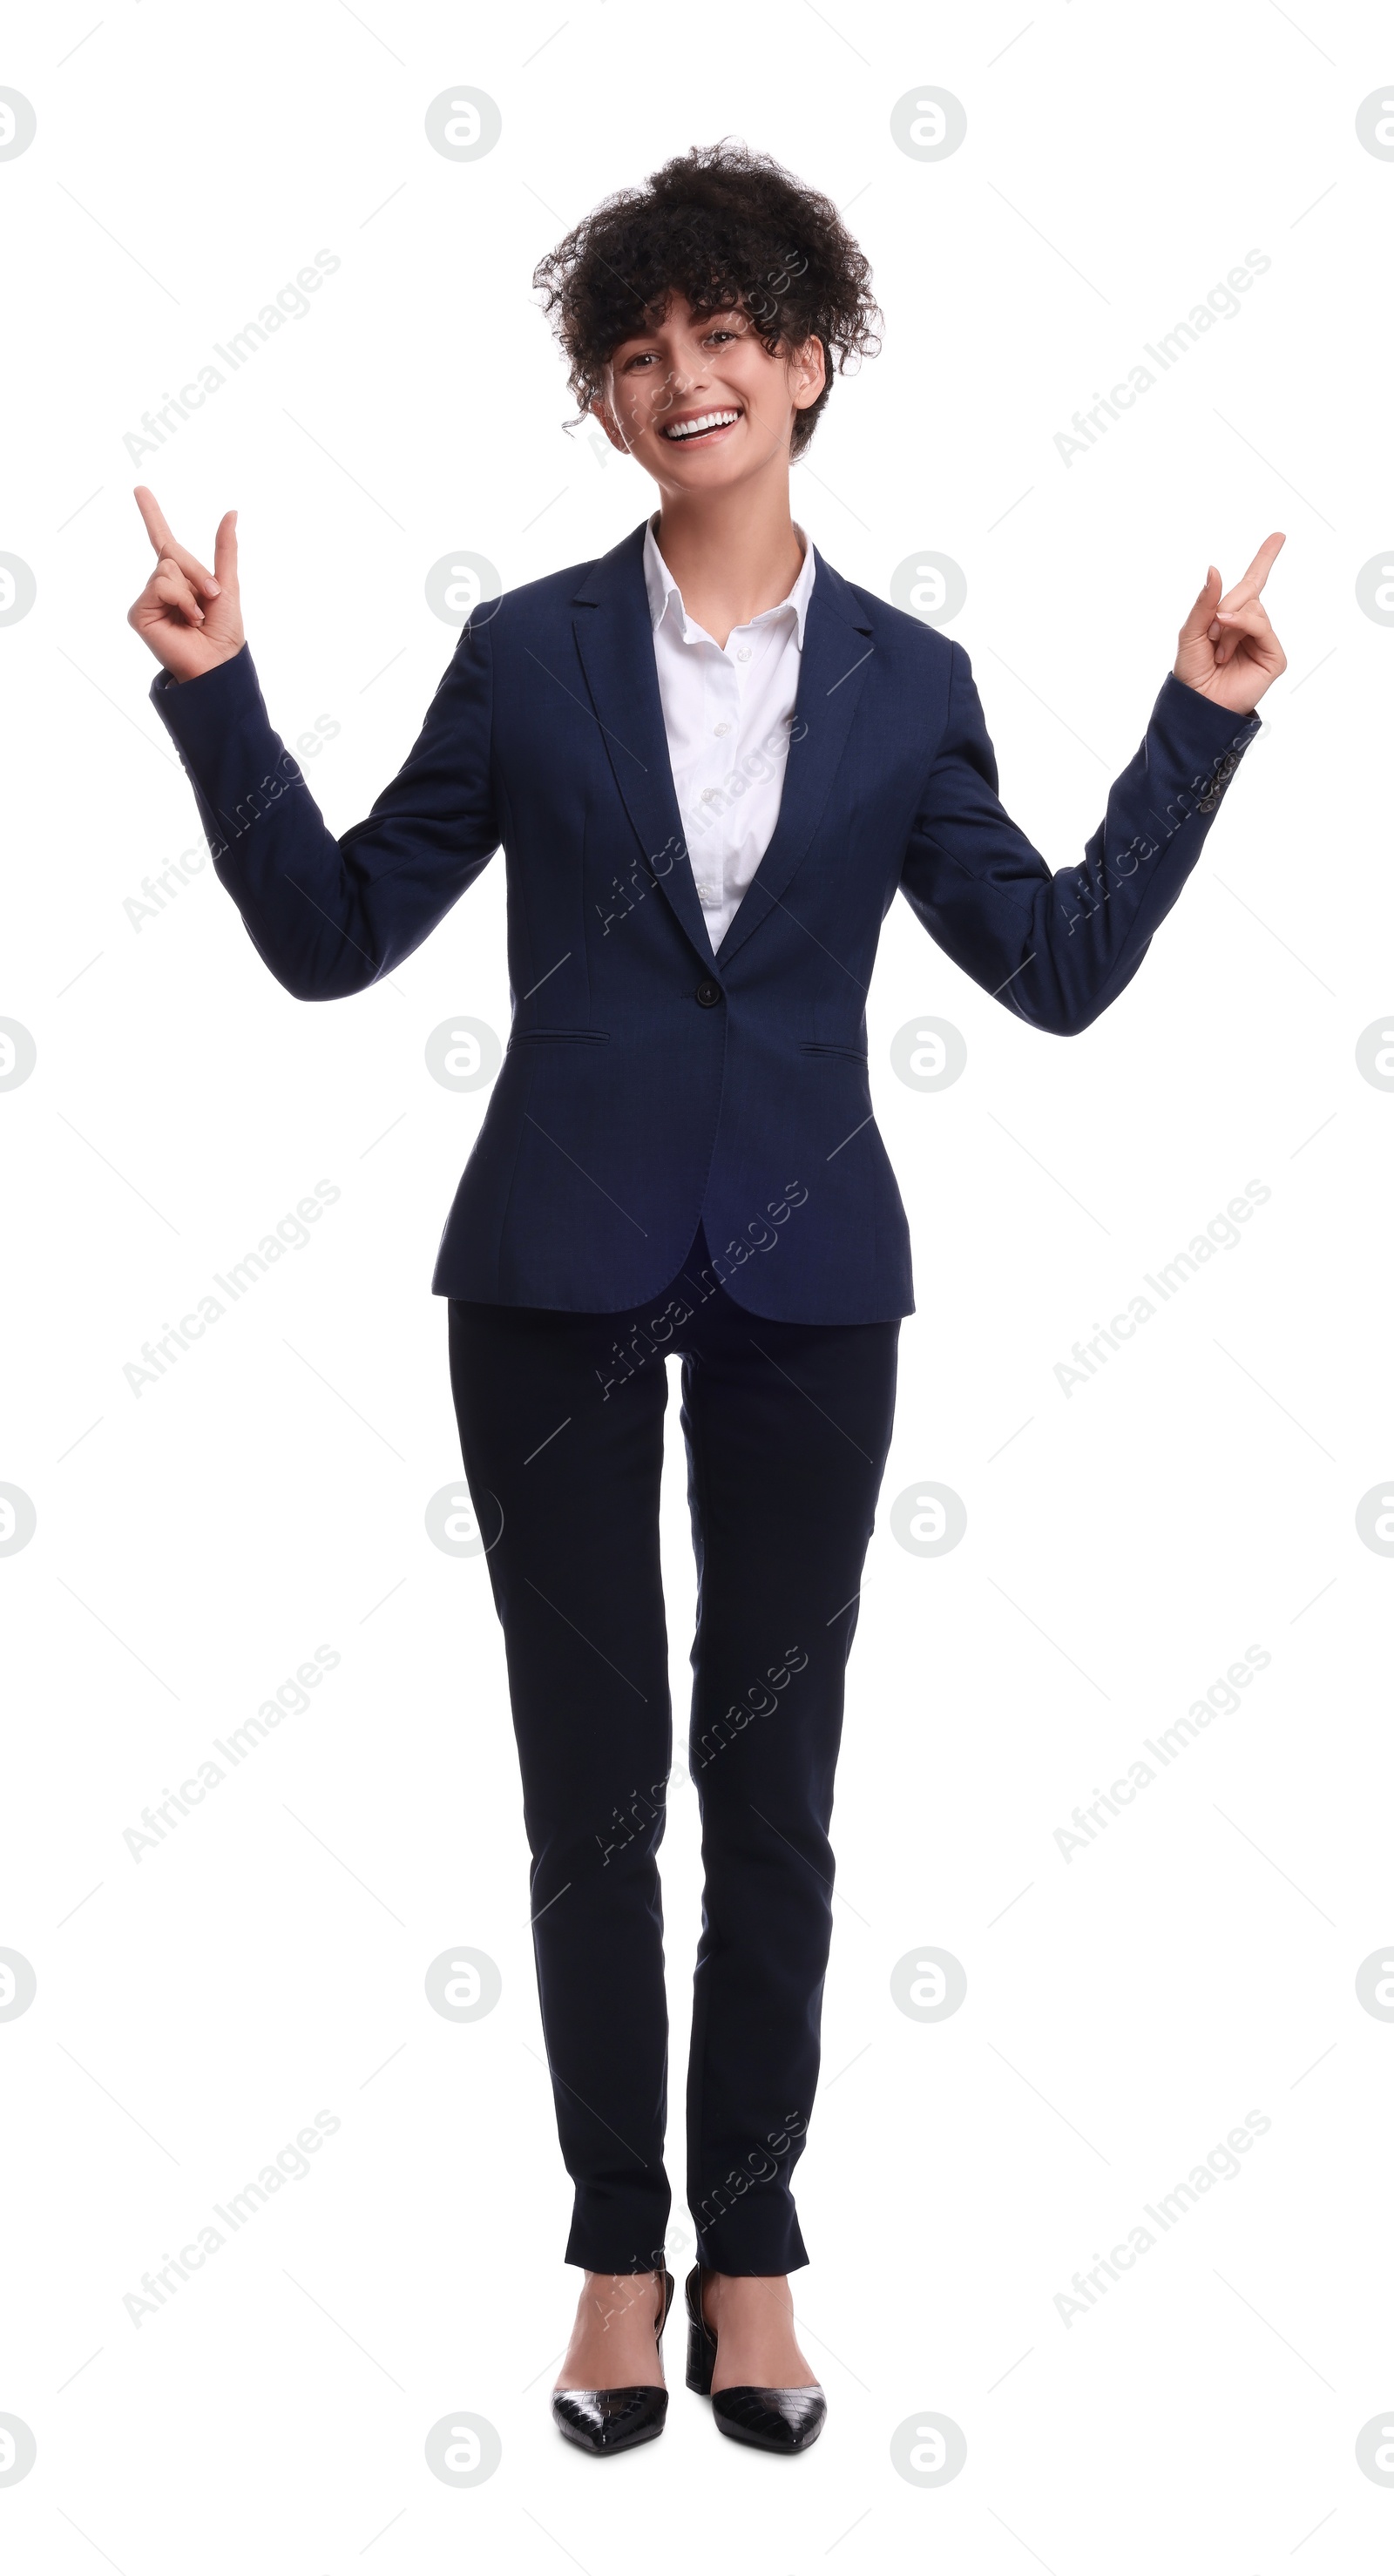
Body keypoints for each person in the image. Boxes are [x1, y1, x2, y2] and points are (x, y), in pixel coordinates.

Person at [127, 139, 1286, 2458]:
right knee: (590, 1804)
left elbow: (1049, 969)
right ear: (607, 393)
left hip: (804, 1288)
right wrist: (220, 700)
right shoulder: (525, 653)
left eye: (724, 338)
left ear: (808, 360)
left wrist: (1197, 725)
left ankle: (750, 2256)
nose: (684, 377)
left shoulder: (910, 679)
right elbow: (336, 934)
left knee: (774, 1795)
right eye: (639, 350)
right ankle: (606, 2261)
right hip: (548, 1279)